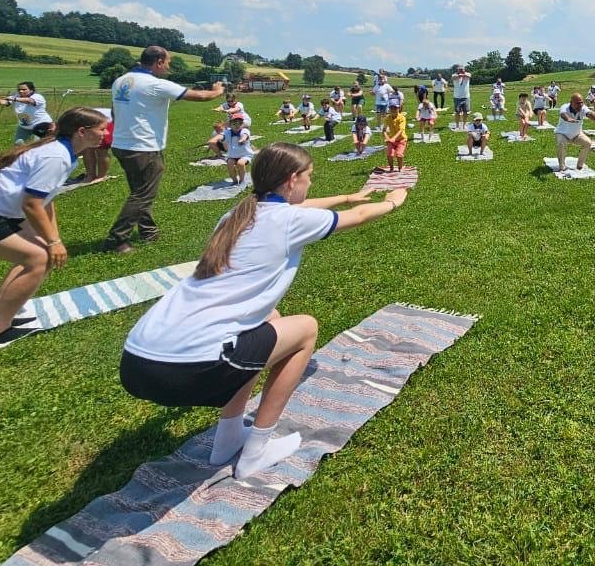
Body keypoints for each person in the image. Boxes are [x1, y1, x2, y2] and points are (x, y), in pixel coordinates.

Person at [120, 143, 408, 478]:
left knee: (268, 323)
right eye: (310, 177)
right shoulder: (289, 221)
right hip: (189, 370)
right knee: (305, 328)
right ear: (291, 180)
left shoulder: (235, 216)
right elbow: (356, 217)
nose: (311, 183)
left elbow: (301, 207)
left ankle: (227, 439)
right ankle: (256, 451)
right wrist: (392, 201)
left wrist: (346, 197)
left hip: (136, 364)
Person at [0, 107, 109, 344]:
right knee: (37, 259)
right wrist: (54, 242)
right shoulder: (56, 157)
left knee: (42, 253)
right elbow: (31, 205)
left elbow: (46, 200)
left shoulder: (64, 152)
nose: (106, 133)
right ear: (82, 132)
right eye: (102, 129)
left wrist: (54, 239)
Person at [104, 47, 224, 254]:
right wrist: (217, 91)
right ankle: (116, 240)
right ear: (158, 62)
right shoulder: (154, 84)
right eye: (167, 62)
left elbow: (115, 112)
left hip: (122, 144)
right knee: (143, 194)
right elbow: (199, 96)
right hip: (144, 146)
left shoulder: (121, 81)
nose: (169, 66)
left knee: (139, 191)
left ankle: (148, 232)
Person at [0, 81, 52, 145]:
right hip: (24, 126)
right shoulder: (16, 96)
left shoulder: (37, 97)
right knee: (18, 143)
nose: (21, 91)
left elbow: (29, 101)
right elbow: (5, 103)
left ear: (31, 90)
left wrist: (14, 98)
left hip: (41, 125)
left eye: (24, 89)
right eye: (19, 90)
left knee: (37, 144)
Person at [554, 93, 595, 176]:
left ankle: (579, 166)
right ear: (571, 102)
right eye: (577, 103)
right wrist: (568, 119)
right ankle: (562, 167)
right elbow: (563, 114)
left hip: (576, 135)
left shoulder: (583, 108)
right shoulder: (565, 107)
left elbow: (589, 113)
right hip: (562, 133)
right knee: (561, 144)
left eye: (581, 102)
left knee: (587, 143)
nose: (580, 105)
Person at [224, 114, 256, 185]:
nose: (237, 125)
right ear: (230, 125)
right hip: (232, 155)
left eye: (240, 123)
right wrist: (221, 139)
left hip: (245, 154)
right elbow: (224, 137)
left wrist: (242, 139)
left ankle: (242, 180)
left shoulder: (244, 130)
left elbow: (245, 135)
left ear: (243, 124)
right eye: (234, 124)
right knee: (229, 164)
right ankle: (234, 180)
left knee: (240, 163)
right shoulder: (228, 132)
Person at [382, 95, 408, 172]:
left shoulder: (402, 118)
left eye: (395, 108)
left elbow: (401, 130)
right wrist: (387, 138)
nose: (393, 110)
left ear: (399, 108)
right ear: (389, 109)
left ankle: (400, 168)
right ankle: (391, 168)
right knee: (389, 155)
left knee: (399, 155)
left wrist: (393, 138)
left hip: (401, 140)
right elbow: (384, 130)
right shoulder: (387, 118)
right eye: (391, 108)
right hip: (391, 141)